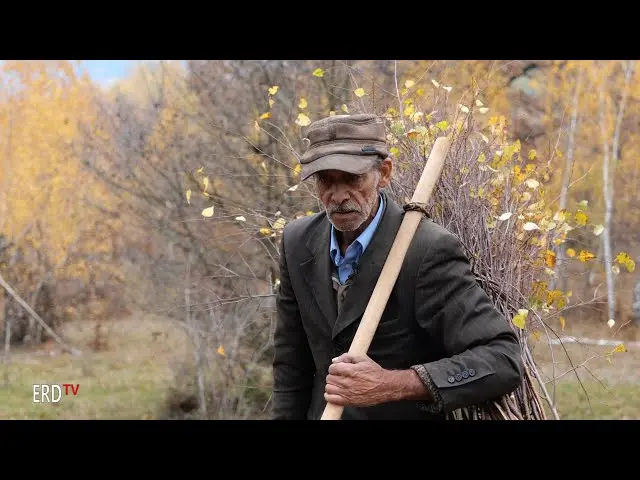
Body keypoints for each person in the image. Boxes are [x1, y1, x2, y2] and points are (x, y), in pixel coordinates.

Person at [271, 113, 523, 420]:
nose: (337, 196)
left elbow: (502, 359)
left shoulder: (426, 250)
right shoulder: (298, 242)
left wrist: (391, 384)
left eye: (352, 178)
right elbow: (291, 365)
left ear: (384, 172)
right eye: (325, 180)